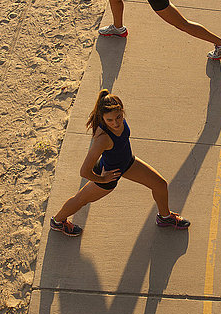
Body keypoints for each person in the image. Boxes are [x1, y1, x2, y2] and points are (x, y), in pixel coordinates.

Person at [50, 89, 190, 236]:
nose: (115, 123)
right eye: (109, 120)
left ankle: (164, 217)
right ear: (102, 118)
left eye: (118, 117)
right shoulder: (102, 139)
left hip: (128, 163)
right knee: (81, 200)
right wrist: (103, 179)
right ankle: (58, 222)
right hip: (109, 174)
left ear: (122, 111)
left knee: (160, 184)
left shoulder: (120, 120)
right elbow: (84, 171)